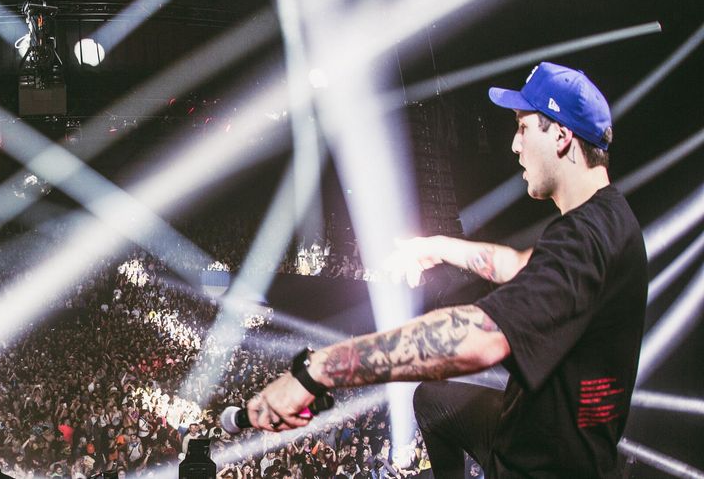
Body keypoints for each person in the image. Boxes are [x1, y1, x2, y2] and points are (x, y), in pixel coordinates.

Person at [247, 62, 647, 478]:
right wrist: (436, 246)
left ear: (561, 136)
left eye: (523, 128)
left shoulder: (587, 237)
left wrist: (318, 371)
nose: (514, 145)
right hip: (527, 429)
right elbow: (518, 266)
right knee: (432, 401)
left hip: (544, 466)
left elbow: (480, 340)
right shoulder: (603, 220)